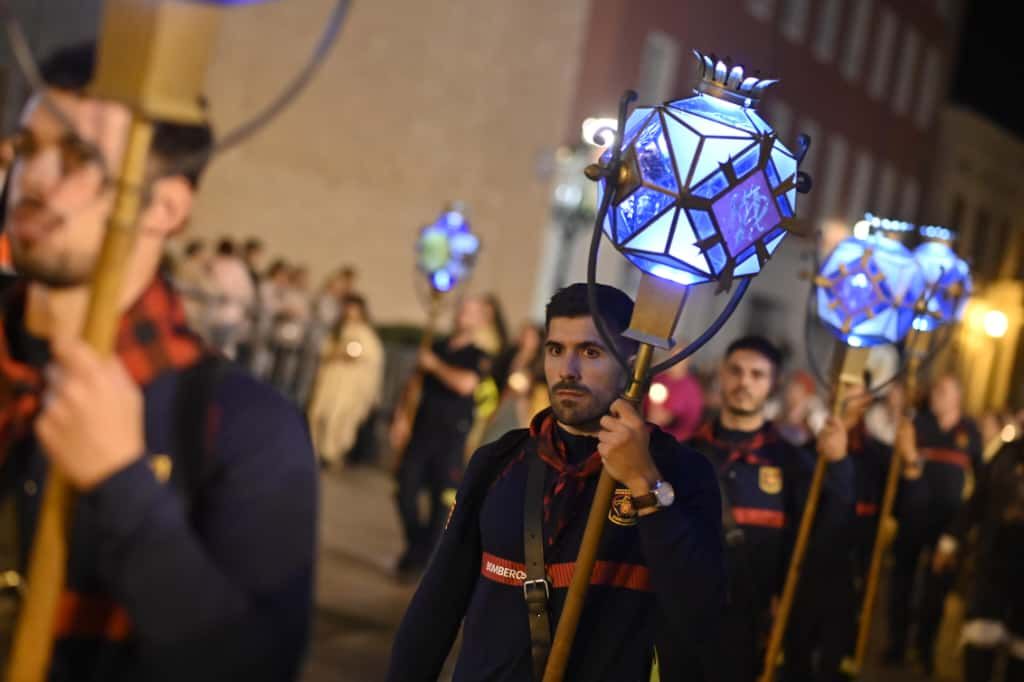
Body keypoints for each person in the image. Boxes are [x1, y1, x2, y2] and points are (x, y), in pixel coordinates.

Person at [0, 43, 316, 679]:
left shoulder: (246, 428)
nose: (33, 179)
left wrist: (122, 484)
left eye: (79, 158)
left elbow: (254, 667)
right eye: (28, 148)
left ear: (166, 208)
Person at [386, 283, 723, 681]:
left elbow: (701, 611)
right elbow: (437, 603)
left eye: (591, 352)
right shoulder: (499, 462)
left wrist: (644, 483)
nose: (568, 370)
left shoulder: (681, 471)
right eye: (556, 349)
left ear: (634, 364)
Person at [685, 335, 853, 682]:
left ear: (773, 384)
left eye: (757, 375)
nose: (744, 382)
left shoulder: (791, 462)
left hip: (753, 625)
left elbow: (826, 535)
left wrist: (839, 466)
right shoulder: (686, 455)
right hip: (686, 622)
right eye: (736, 371)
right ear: (721, 374)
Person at [784, 378, 898, 682]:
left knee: (835, 663)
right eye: (838, 387)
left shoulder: (880, 458)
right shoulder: (805, 452)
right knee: (796, 657)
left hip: (850, 574)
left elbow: (900, 510)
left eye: (851, 389)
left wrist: (910, 466)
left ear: (865, 400)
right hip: (803, 571)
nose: (842, 395)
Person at [885, 373, 983, 675]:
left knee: (935, 591)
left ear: (958, 397)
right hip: (913, 517)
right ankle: (896, 645)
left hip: (947, 524)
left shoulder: (970, 431)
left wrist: (959, 531)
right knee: (901, 584)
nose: (936, 394)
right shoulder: (918, 425)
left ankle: (924, 649)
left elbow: (979, 481)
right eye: (935, 389)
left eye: (944, 390)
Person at [389, 296, 490, 575]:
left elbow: (465, 385)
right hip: (421, 432)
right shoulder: (436, 346)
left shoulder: (477, 356)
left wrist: (434, 365)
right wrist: (400, 418)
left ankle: (423, 558)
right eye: (462, 309)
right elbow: (413, 385)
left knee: (440, 501)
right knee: (404, 490)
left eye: (471, 312)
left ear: (481, 321)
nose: (463, 315)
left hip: (450, 438)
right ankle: (417, 544)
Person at [936, 433, 1024, 681]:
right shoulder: (1008, 453)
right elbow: (978, 499)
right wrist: (950, 540)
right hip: (994, 562)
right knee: (978, 647)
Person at [307, 294, 383, 469]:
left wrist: (354, 355)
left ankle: (330, 454)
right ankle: (314, 450)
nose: (350, 312)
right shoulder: (338, 330)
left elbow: (371, 358)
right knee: (319, 414)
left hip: (349, 385)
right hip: (331, 380)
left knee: (338, 417)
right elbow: (326, 350)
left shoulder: (365, 333)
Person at [205, 238, 255, 359]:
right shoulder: (238, 267)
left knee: (209, 347)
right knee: (225, 349)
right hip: (230, 315)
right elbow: (247, 292)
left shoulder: (211, 264)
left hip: (211, 314)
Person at [644, 353, 704, 443]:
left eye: (681, 357)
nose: (677, 360)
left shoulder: (692, 388)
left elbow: (692, 420)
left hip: (676, 443)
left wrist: (670, 419)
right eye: (674, 356)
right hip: (649, 437)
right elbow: (644, 403)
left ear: (687, 361)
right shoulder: (658, 379)